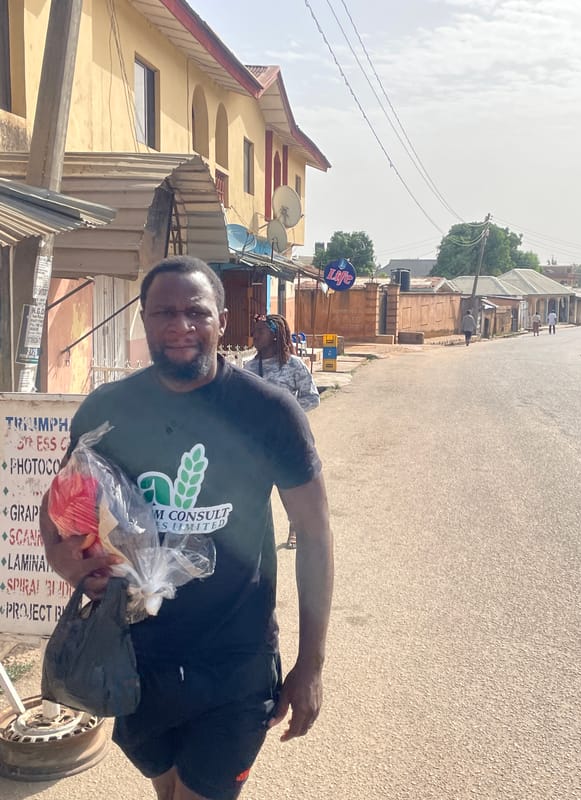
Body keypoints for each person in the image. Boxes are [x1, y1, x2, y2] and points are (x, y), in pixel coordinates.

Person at [39, 256, 333, 800]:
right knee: (167, 787)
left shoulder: (268, 412)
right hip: (131, 655)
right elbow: (62, 500)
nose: (180, 326)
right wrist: (63, 557)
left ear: (224, 319)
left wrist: (310, 663)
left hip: (234, 662)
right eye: (164, 313)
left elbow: (314, 535)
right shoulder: (109, 408)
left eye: (196, 312)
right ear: (143, 320)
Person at [245, 313, 320, 549]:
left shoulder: (293, 365)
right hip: (257, 444)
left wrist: (288, 417)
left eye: (260, 332)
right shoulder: (248, 368)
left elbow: (312, 398)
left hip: (288, 441)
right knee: (253, 493)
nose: (254, 336)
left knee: (291, 491)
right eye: (254, 331)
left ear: (276, 335)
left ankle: (295, 527)